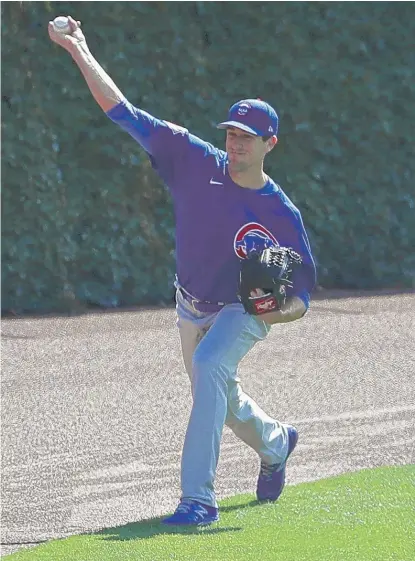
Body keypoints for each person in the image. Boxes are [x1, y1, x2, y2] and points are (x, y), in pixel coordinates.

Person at [48, 16, 317, 526]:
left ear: (270, 144)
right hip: (191, 302)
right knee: (220, 395)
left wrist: (276, 310)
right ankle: (277, 443)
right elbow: (123, 112)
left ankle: (199, 501)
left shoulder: (281, 213)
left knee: (214, 365)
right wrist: (79, 48)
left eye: (248, 136)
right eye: (232, 133)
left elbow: (302, 294)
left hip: (243, 307)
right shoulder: (195, 159)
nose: (236, 143)